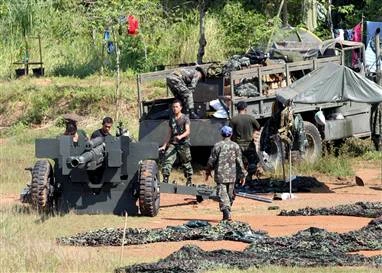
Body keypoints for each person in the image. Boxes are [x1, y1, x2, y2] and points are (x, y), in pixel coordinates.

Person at [205, 125, 247, 221]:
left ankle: (226, 212)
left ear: (222, 134)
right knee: (229, 195)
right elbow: (240, 162)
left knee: (223, 195)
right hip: (232, 176)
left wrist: (208, 171)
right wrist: (243, 175)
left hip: (220, 175)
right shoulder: (235, 146)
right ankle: (227, 212)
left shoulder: (217, 146)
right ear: (231, 134)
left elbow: (211, 161)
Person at [159, 100, 193, 185]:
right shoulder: (172, 119)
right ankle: (165, 179)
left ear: (181, 108)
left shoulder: (185, 118)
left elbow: (188, 131)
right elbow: (169, 133)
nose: (175, 109)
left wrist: (181, 136)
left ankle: (189, 180)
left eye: (176, 107)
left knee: (186, 162)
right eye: (173, 107)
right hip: (174, 143)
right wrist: (164, 146)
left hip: (183, 143)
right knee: (167, 159)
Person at [229, 101, 261, 182]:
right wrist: (252, 133)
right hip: (249, 144)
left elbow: (230, 132)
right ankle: (249, 178)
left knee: (238, 163)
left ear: (237, 109)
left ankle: (238, 180)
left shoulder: (233, 120)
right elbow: (258, 127)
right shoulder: (250, 118)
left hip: (238, 145)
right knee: (252, 162)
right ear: (245, 109)